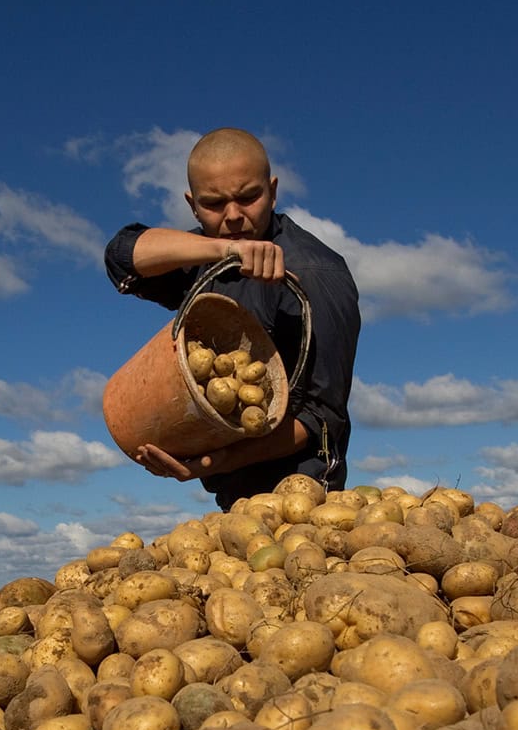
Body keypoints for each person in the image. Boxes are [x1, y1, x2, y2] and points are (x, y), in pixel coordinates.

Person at [104, 127, 361, 510]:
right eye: (213, 204)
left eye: (249, 197)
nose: (234, 216)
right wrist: (225, 249)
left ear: (272, 191)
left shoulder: (317, 274)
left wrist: (216, 461)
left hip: (303, 498)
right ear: (193, 205)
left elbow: (321, 421)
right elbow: (121, 255)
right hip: (233, 499)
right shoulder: (206, 256)